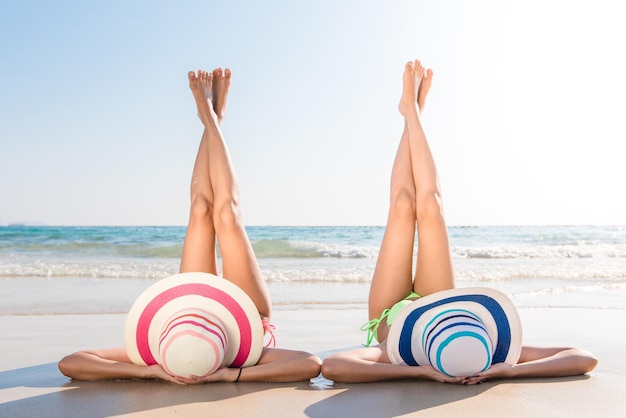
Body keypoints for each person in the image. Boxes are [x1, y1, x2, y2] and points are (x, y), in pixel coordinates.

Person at [320, 59, 598, 384]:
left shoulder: (398, 354)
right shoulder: (487, 349)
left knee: (402, 204)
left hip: (393, 321)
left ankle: (412, 112)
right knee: (432, 207)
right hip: (441, 303)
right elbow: (583, 357)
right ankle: (412, 112)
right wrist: (510, 369)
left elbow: (334, 366)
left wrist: (420, 371)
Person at [58, 67, 322, 384]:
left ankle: (212, 117)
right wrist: (229, 376)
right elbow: (309, 365)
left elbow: (71, 363)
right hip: (245, 314)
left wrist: (146, 370)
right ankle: (213, 116)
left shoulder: (161, 353)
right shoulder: (240, 355)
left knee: (199, 209)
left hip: (188, 306)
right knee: (227, 214)